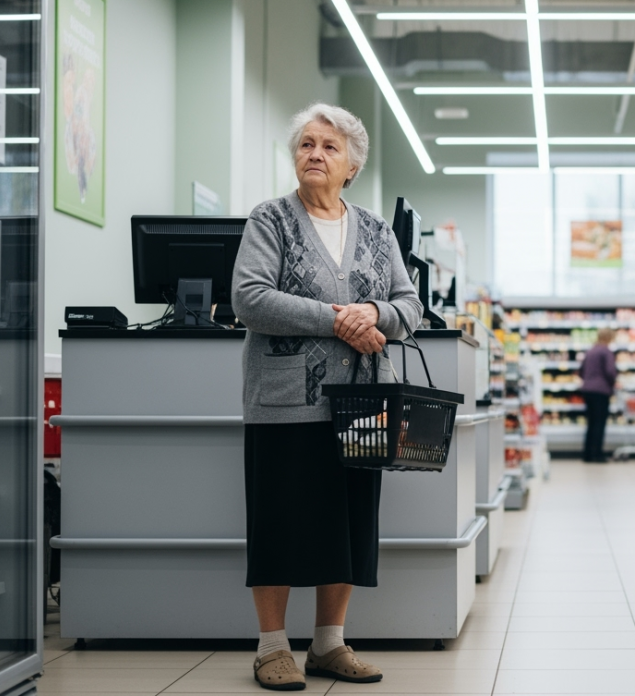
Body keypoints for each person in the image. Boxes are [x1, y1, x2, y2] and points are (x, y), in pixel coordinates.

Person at [232, 103, 422, 691]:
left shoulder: (377, 230)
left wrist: (377, 313)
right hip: (284, 400)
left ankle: (328, 644)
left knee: (348, 523)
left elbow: (410, 306)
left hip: (363, 401)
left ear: (352, 166)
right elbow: (250, 298)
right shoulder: (271, 219)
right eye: (307, 144)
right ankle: (271, 648)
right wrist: (341, 319)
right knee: (280, 522)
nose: (315, 154)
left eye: (329, 147)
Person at [579, 327, 618, 463]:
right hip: (601, 390)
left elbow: (581, 370)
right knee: (599, 423)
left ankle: (587, 454)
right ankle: (597, 454)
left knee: (591, 423)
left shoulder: (590, 350)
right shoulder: (606, 351)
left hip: (587, 389)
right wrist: (613, 382)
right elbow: (610, 371)